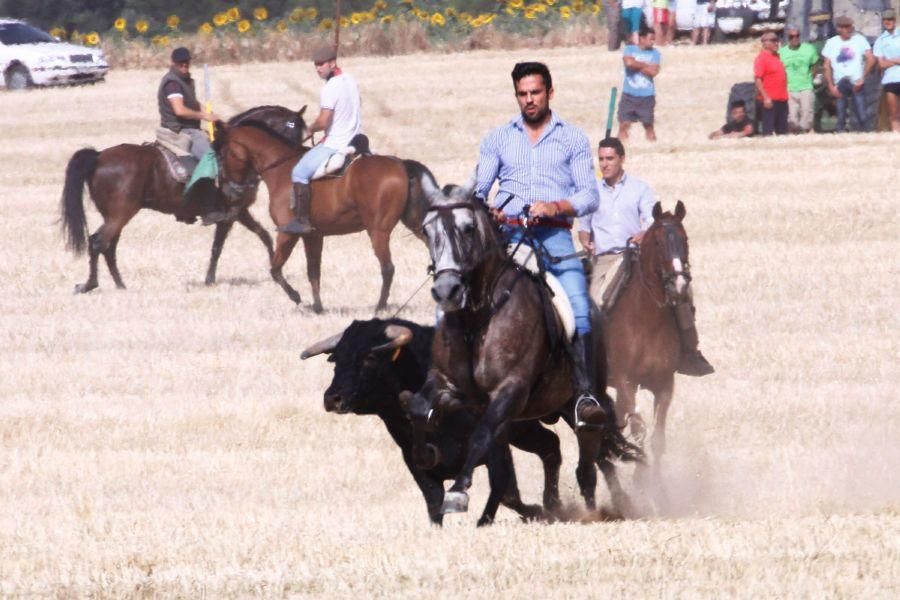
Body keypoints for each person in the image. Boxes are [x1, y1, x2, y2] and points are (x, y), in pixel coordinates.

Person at [474, 61, 603, 426]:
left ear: (550, 92)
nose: (529, 100)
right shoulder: (498, 138)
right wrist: (488, 209)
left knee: (579, 306)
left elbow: (589, 195)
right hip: (506, 239)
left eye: (535, 92)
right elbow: (478, 188)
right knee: (456, 297)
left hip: (554, 237)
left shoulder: (572, 138)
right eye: (523, 94)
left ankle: (583, 395)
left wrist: (556, 206)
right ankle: (451, 385)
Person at [578, 137, 714, 376]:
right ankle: (594, 360)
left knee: (681, 293)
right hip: (606, 259)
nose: (604, 164)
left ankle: (689, 351)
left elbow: (652, 221)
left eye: (610, 158)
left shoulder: (639, 188)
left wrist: (643, 233)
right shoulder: (592, 191)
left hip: (636, 257)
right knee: (594, 304)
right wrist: (584, 238)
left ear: (622, 159)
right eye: (601, 159)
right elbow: (584, 225)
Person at [279, 45, 361, 235]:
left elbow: (324, 121)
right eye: (316, 65)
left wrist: (309, 130)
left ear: (332, 63)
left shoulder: (330, 88)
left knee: (299, 171)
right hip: (357, 139)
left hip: (336, 143)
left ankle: (302, 220)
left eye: (322, 64)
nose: (318, 68)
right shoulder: (350, 79)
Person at [157, 46, 225, 223]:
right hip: (181, 130)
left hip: (192, 128)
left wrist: (212, 116)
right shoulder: (172, 83)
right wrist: (204, 116)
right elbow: (179, 110)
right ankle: (207, 208)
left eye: (186, 61)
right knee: (211, 159)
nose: (184, 64)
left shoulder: (186, 80)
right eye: (180, 61)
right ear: (173, 63)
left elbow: (193, 103)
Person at [822, 15, 876, 133]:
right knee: (840, 114)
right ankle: (841, 136)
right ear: (839, 28)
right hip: (840, 81)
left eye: (849, 26)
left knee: (862, 112)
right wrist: (831, 86)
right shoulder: (831, 43)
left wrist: (862, 78)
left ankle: (868, 134)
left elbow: (871, 59)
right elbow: (826, 66)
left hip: (855, 80)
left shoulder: (859, 40)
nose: (848, 29)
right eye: (845, 27)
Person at [619, 26, 661, 142]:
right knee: (624, 124)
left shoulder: (655, 53)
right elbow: (628, 63)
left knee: (648, 125)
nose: (653, 42)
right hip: (629, 95)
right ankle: (622, 146)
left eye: (654, 39)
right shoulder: (630, 49)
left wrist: (636, 64)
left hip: (646, 96)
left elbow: (653, 72)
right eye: (650, 39)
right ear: (642, 38)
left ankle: (652, 143)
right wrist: (646, 65)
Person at [778, 25, 820, 133]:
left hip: (805, 86)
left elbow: (815, 64)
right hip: (790, 87)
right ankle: (794, 133)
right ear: (788, 38)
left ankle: (805, 132)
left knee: (807, 112)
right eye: (791, 37)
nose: (795, 38)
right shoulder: (782, 52)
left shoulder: (809, 49)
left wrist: (811, 77)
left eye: (797, 36)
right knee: (792, 115)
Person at [754, 32, 789, 136]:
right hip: (770, 101)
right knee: (768, 132)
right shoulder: (761, 58)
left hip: (782, 99)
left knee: (782, 132)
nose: (777, 43)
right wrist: (765, 98)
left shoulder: (777, 57)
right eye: (773, 41)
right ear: (765, 43)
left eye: (777, 40)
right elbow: (758, 79)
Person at [873, 9, 900, 132]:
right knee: (893, 113)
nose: (887, 22)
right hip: (890, 79)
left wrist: (890, 61)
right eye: (885, 20)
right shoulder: (881, 40)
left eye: (890, 19)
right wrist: (896, 61)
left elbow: (885, 62)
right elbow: (881, 64)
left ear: (894, 20)